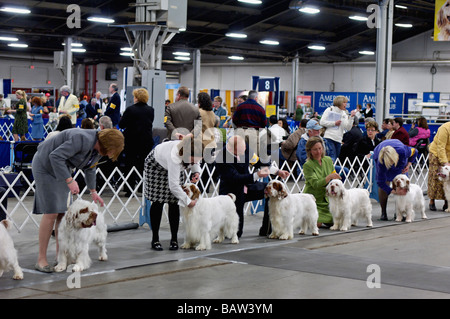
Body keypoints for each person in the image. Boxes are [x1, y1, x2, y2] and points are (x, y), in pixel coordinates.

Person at [33, 128, 124, 272]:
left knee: (62, 213)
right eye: (112, 150)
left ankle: (60, 257)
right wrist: (69, 180)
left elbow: (90, 168)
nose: (110, 154)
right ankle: (41, 259)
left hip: (61, 168)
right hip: (45, 165)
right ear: (107, 144)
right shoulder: (81, 139)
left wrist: (93, 191)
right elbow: (55, 156)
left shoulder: (98, 149)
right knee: (51, 212)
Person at [214, 135, 289, 237]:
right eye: (241, 151)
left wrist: (277, 172)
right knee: (235, 233)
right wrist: (257, 175)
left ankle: (268, 230)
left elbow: (258, 163)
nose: (244, 152)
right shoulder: (221, 158)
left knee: (271, 191)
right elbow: (235, 178)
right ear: (231, 149)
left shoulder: (245, 148)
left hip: (248, 185)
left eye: (245, 149)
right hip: (232, 191)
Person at [143, 134, 203, 251]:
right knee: (157, 202)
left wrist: (196, 172)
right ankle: (155, 239)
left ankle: (174, 239)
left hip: (176, 165)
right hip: (156, 166)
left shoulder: (192, 149)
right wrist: (188, 201)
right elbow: (174, 186)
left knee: (174, 202)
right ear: (186, 155)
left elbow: (196, 161)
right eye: (192, 159)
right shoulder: (175, 157)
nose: (194, 161)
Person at [119, 88, 155, 197]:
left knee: (130, 164)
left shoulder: (130, 110)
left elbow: (121, 124)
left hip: (132, 141)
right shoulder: (151, 110)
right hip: (146, 141)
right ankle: (142, 187)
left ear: (137, 98)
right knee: (144, 165)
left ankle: (129, 189)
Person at [373, 139, 417, 221]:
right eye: (388, 162)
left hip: (400, 161)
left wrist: (409, 164)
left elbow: (415, 151)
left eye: (391, 161)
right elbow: (380, 182)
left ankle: (399, 213)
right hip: (379, 151)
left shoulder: (403, 151)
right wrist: (391, 191)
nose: (391, 164)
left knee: (402, 185)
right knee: (385, 183)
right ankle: (383, 213)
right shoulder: (381, 161)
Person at [302, 136, 341, 227]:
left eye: (320, 148)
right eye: (315, 149)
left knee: (337, 221)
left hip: (328, 199)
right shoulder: (307, 165)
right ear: (309, 151)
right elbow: (315, 184)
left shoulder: (328, 160)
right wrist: (329, 177)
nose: (318, 152)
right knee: (317, 224)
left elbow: (335, 178)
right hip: (313, 200)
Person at [319, 95, 356, 161]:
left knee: (335, 159)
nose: (346, 104)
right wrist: (334, 123)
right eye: (344, 102)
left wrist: (351, 117)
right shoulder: (329, 110)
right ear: (339, 103)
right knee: (332, 158)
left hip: (338, 139)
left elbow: (348, 127)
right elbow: (322, 122)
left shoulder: (344, 113)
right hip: (329, 137)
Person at [428, 121, 450, 211]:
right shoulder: (444, 128)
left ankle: (447, 202)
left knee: (448, 180)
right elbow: (440, 147)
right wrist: (445, 162)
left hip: (448, 154)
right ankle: (431, 201)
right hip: (436, 153)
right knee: (435, 177)